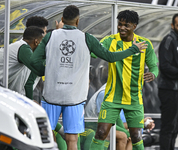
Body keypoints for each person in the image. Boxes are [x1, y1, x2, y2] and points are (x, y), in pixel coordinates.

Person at [30, 5, 147, 150]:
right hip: (75, 97)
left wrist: (47, 72)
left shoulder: (50, 36)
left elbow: (33, 61)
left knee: (45, 134)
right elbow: (110, 57)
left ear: (62, 19)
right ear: (78, 21)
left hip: (51, 95)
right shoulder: (87, 38)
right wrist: (133, 49)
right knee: (72, 138)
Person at [89, 10, 158, 150]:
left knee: (137, 137)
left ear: (135, 26)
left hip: (133, 99)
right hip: (112, 97)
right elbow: (94, 53)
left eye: (126, 25)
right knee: (101, 133)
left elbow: (153, 66)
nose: (122, 28)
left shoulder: (145, 44)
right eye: (120, 24)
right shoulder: (110, 40)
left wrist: (153, 74)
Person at [86, 83, 155, 150]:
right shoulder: (105, 93)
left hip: (108, 125)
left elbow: (120, 122)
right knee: (123, 136)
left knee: (135, 133)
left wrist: (142, 123)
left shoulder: (120, 95)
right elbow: (107, 122)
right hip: (93, 125)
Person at [158, 13, 178, 150]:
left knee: (176, 126)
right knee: (168, 126)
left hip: (177, 89)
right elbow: (164, 66)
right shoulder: (169, 40)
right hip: (168, 89)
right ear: (172, 26)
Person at [0, 26, 44, 98]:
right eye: (42, 42)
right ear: (36, 42)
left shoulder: (21, 47)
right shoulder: (23, 48)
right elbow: (39, 70)